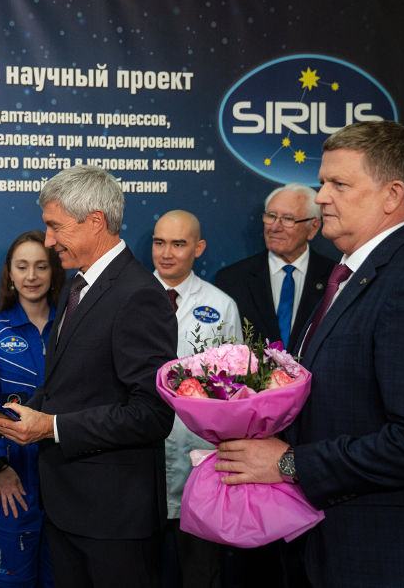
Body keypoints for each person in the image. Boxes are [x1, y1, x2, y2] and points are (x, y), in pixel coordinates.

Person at [215, 120, 404, 588]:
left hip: (381, 554)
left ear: (392, 195)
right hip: (328, 545)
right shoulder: (351, 275)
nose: (321, 198)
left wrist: (289, 463)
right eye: (322, 183)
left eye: (339, 184)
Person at [0, 165, 177, 588]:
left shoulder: (139, 294)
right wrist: (14, 417)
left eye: (56, 227)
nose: (48, 240)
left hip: (114, 521)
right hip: (69, 509)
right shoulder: (78, 287)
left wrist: (51, 427)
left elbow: (152, 414)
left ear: (95, 221)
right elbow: (66, 384)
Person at [0, 230, 65, 588]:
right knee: (13, 580)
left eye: (41, 266)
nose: (32, 276)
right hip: (14, 474)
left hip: (67, 472)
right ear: (9, 273)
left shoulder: (72, 326)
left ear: (54, 271)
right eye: (22, 267)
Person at [151, 210, 241, 588]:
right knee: (139, 571)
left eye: (178, 244)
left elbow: (236, 390)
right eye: (159, 243)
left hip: (200, 459)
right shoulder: (127, 297)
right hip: (141, 458)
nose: (166, 253)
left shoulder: (221, 305)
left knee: (201, 573)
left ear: (198, 248)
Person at [215, 184, 335, 351]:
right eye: (271, 216)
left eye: (288, 219)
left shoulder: (335, 278)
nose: (275, 227)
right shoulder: (232, 280)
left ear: (313, 227)